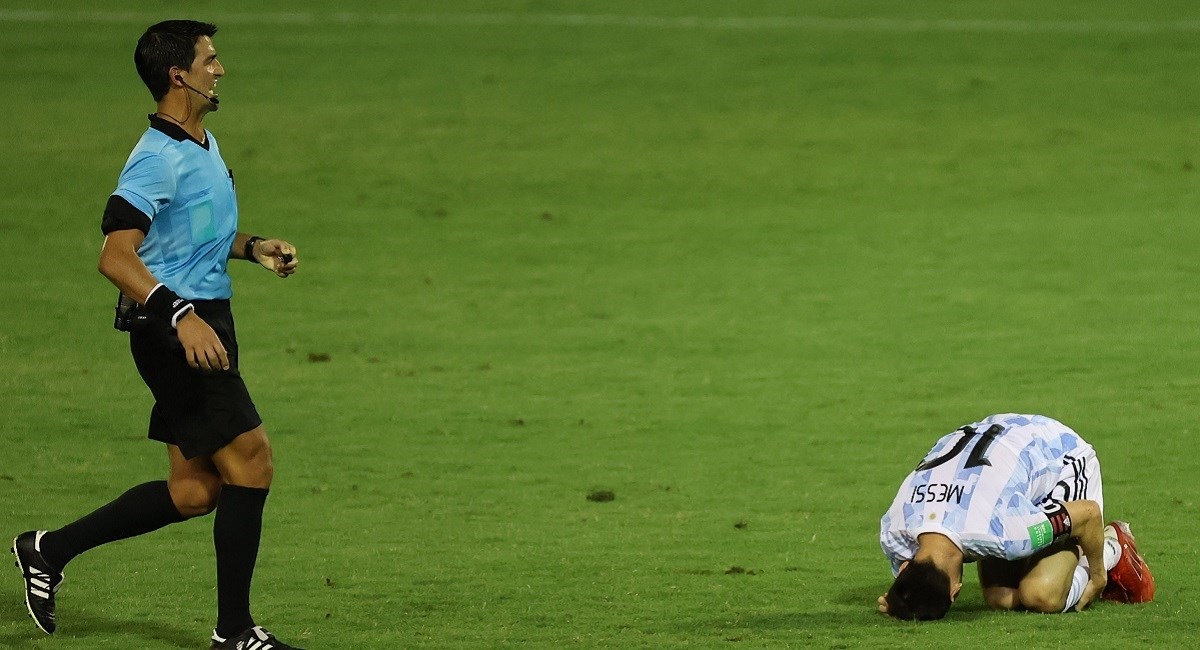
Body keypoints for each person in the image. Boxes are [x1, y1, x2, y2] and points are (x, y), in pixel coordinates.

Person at [10, 20, 304, 650]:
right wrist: (180, 315)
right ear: (179, 74)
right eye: (210, 59)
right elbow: (116, 257)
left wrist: (255, 247)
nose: (219, 69)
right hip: (174, 332)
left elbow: (195, 236)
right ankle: (234, 633)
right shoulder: (155, 158)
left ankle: (47, 549)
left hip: (206, 321)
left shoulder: (203, 142)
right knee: (252, 461)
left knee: (195, 491)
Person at [877, 413, 1155, 620]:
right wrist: (901, 602)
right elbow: (913, 584)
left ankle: (1113, 547)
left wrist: (1097, 575)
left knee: (1040, 595)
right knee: (1002, 599)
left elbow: (1088, 513)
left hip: (1063, 457)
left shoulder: (1008, 535)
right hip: (1000, 443)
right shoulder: (894, 530)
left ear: (955, 592)